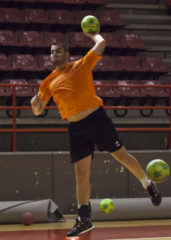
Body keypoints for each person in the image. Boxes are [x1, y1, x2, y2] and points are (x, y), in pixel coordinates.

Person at [30, 31, 161, 237]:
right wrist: (36, 106)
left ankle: (147, 184)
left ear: (67, 54)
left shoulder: (81, 65)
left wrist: (93, 34)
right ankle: (84, 219)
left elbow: (102, 43)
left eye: (58, 51)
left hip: (97, 120)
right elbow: (39, 110)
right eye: (51, 52)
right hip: (76, 128)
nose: (54, 55)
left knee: (122, 157)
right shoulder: (48, 82)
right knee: (81, 172)